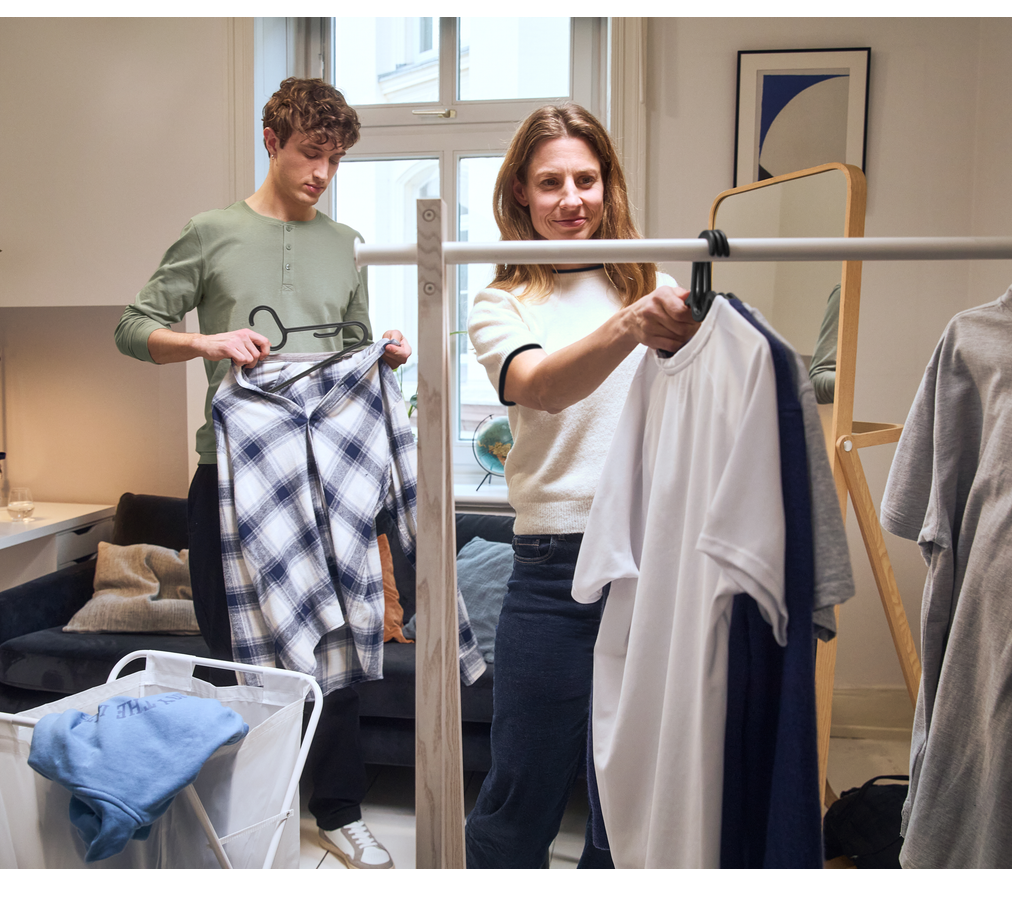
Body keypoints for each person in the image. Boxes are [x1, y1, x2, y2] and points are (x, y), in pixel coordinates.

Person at [114, 77, 410, 870]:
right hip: (230, 477)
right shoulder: (209, 234)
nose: (323, 171)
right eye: (312, 152)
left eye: (337, 159)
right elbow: (130, 327)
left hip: (323, 483)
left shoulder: (346, 242)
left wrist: (382, 356)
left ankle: (339, 810)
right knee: (231, 642)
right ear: (272, 139)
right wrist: (208, 345)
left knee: (337, 640)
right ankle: (242, 806)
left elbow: (353, 351)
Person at [464, 103, 699, 868]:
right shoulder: (502, 300)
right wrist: (631, 324)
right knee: (520, 789)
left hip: (650, 558)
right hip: (552, 570)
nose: (572, 198)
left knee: (626, 794)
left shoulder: (653, 282)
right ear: (522, 197)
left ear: (609, 185)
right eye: (551, 182)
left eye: (586, 179)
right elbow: (538, 386)